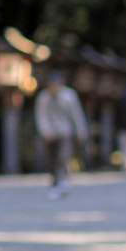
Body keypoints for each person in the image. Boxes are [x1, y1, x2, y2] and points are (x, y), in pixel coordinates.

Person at [34, 70, 89, 200]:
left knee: (63, 157)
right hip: (49, 133)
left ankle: (63, 180)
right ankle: (54, 183)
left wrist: (81, 131)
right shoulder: (44, 97)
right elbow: (41, 116)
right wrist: (45, 131)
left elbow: (76, 114)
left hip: (65, 131)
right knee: (51, 160)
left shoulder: (69, 95)